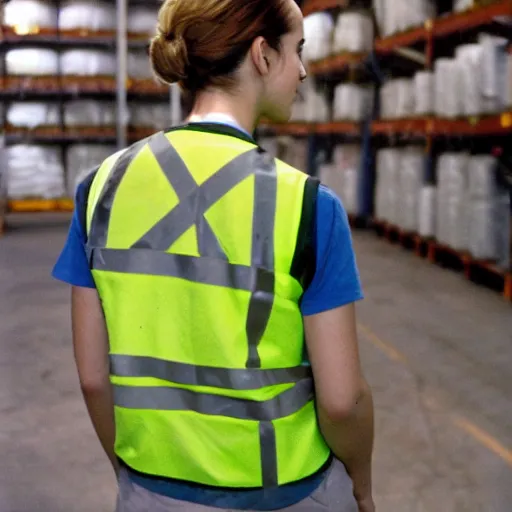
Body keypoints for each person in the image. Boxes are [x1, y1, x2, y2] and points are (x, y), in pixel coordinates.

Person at [52, 0, 375, 510]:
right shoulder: (308, 205)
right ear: (262, 55)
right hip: (283, 492)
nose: (304, 70)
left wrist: (134, 479)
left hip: (151, 490)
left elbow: (94, 379)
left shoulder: (101, 190)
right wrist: (362, 478)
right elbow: (342, 400)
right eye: (298, 51)